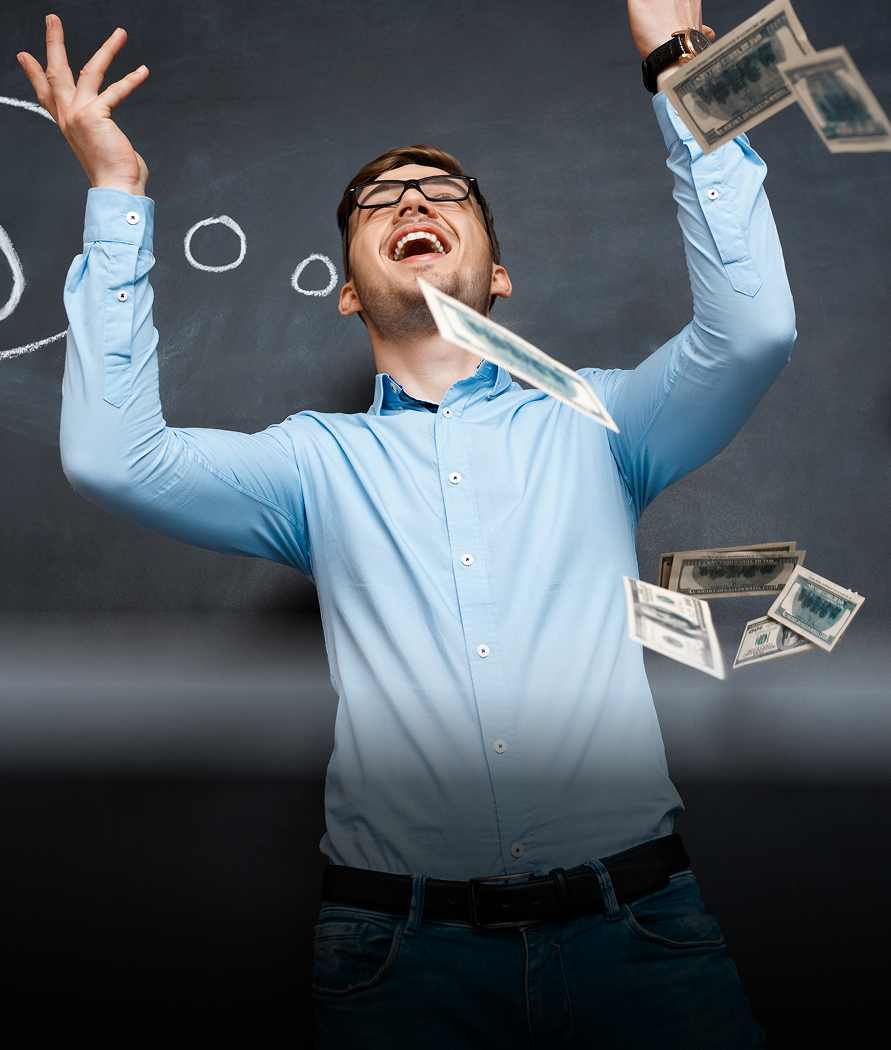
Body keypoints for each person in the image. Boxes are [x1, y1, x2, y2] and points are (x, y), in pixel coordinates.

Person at [18, 3, 794, 1046]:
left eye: (441, 191)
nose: (410, 200)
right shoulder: (311, 468)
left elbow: (754, 328)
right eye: (375, 200)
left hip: (644, 943)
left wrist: (676, 60)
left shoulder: (600, 424)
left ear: (499, 274)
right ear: (348, 293)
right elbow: (112, 455)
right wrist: (117, 195)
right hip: (403, 966)